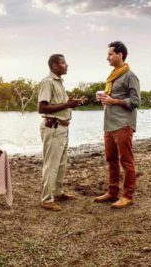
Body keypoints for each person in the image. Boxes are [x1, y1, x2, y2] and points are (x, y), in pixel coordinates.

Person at [36, 54, 87, 211]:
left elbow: (61, 105)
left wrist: (73, 104)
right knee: (51, 164)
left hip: (62, 128)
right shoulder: (48, 82)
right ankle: (46, 199)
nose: (67, 65)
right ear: (54, 66)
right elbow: (42, 108)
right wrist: (67, 104)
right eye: (63, 63)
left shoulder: (59, 83)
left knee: (61, 164)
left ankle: (57, 192)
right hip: (53, 128)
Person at [94, 41, 140, 209]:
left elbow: (136, 101)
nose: (107, 57)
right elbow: (111, 99)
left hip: (123, 124)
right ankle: (112, 192)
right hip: (109, 123)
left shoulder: (130, 76)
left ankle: (128, 196)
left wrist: (113, 100)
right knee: (111, 159)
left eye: (110, 54)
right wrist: (104, 99)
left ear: (120, 55)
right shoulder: (112, 76)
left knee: (126, 161)